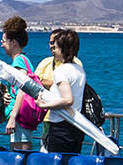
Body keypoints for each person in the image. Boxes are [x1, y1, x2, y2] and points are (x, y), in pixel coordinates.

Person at [36, 27, 88, 155]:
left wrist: (44, 105)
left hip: (60, 125)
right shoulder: (79, 70)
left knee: (56, 162)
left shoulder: (61, 71)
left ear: (63, 50)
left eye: (57, 47)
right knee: (71, 161)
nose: (53, 49)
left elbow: (68, 100)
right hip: (76, 125)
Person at [0, 15, 37, 151]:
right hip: (21, 116)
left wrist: (13, 117)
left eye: (3, 41)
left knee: (20, 153)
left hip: (20, 117)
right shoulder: (24, 60)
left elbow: (22, 89)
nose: (1, 44)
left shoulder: (19, 62)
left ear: (13, 43)